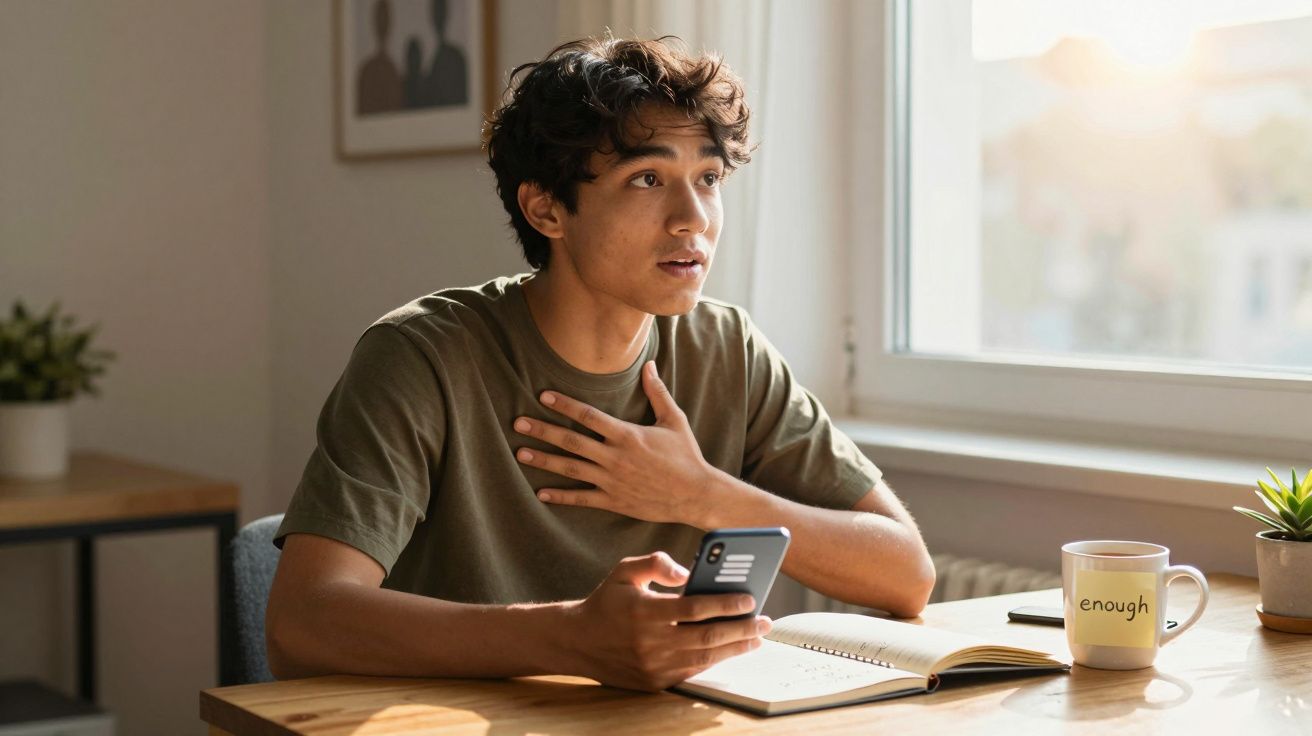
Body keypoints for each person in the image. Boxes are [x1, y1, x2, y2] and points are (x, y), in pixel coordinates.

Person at [265, 36, 935, 692]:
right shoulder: (423, 357)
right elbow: (301, 624)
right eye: (648, 178)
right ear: (546, 208)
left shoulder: (727, 350)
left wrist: (700, 494)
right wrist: (570, 638)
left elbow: (906, 574)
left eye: (708, 178)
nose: (693, 219)